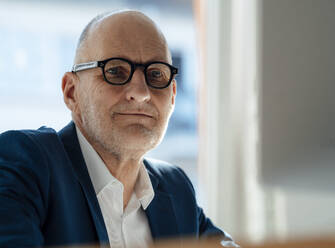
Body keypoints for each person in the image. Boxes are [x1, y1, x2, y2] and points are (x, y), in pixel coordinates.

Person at [0, 10, 237, 248]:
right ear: (71, 92)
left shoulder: (175, 188)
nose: (142, 93)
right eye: (115, 71)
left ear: (173, 96)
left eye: (156, 74)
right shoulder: (24, 162)